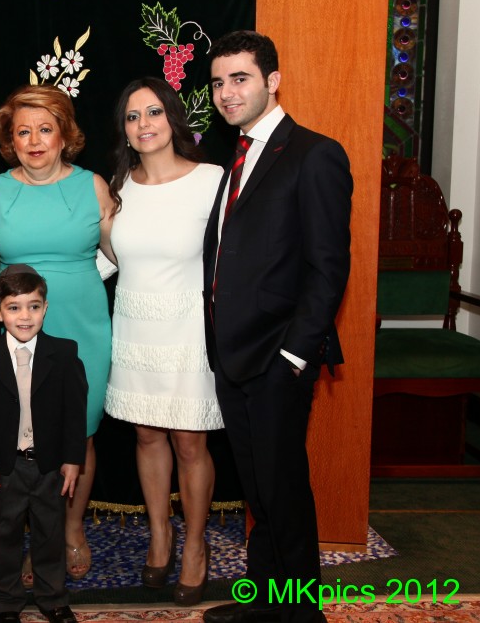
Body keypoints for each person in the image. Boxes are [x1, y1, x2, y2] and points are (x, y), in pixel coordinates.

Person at [201, 31, 352, 623]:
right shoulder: (235, 158)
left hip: (277, 358)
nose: (227, 92)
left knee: (283, 490)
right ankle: (265, 603)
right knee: (259, 491)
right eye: (218, 82)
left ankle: (302, 614)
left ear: (273, 81)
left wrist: (295, 355)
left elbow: (327, 267)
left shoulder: (314, 154)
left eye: (240, 79)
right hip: (232, 355)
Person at [0, 85, 114, 581]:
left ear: (64, 134)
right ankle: (25, 532)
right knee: (19, 430)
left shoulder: (92, 186)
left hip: (82, 326)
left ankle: (69, 530)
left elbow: (124, 254)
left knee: (78, 430)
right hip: (16, 327)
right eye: (23, 132)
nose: (34, 141)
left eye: (45, 129)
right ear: (10, 140)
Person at [103, 78, 224, 605]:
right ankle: (160, 534)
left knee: (189, 442)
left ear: (172, 118)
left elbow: (234, 256)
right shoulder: (116, 187)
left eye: (153, 112)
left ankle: (195, 545)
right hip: (135, 327)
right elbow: (106, 259)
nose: (143, 124)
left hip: (190, 330)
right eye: (132, 117)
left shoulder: (212, 180)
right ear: (124, 130)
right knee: (147, 435)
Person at [0, 264, 87, 623]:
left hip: (49, 465)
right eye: (14, 307)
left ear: (45, 308)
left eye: (33, 306)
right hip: (6, 466)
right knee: (3, 534)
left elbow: (75, 412)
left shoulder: (64, 354)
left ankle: (53, 598)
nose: (25, 316)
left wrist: (73, 459)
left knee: (49, 533)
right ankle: (6, 602)